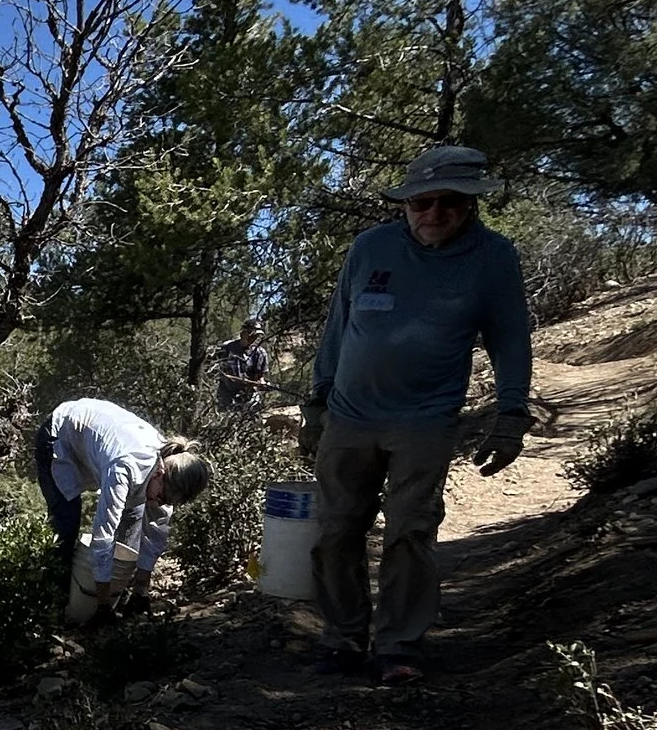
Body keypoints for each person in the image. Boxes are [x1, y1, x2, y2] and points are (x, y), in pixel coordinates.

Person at [302, 145, 533, 684]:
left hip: (425, 419)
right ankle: (341, 638)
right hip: (349, 415)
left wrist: (511, 414)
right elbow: (338, 330)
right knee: (336, 530)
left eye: (447, 203)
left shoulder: (493, 257)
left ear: (471, 204)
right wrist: (316, 404)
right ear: (404, 204)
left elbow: (510, 339)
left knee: (409, 531)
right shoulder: (370, 248)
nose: (432, 214)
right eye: (419, 203)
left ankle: (400, 644)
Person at [35, 398, 212, 619]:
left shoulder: (170, 467)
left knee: (132, 528)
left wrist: (142, 591)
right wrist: (102, 607)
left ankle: (121, 598)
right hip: (60, 437)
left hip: (95, 441)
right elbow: (104, 537)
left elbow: (155, 532)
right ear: (160, 474)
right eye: (162, 496)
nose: (162, 503)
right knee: (65, 527)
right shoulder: (124, 468)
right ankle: (55, 609)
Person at [214, 317, 272, 415]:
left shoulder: (261, 353)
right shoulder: (227, 348)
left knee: (252, 421)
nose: (253, 339)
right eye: (252, 335)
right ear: (243, 334)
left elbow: (260, 376)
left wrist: (262, 383)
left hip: (249, 396)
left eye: (257, 337)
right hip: (227, 394)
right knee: (225, 421)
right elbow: (213, 367)